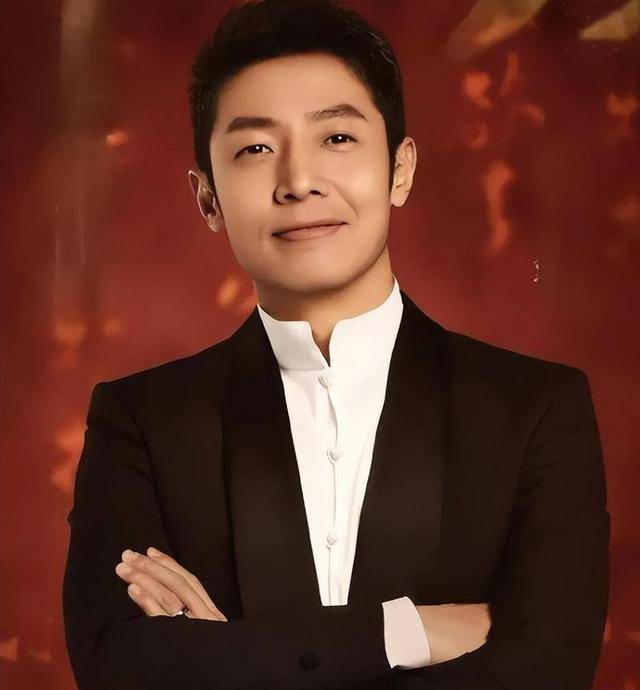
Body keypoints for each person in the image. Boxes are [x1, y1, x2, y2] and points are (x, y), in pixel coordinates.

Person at [62, 1, 610, 688]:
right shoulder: (142, 420)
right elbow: (117, 666)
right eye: (255, 149)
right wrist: (407, 632)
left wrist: (231, 654)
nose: (298, 181)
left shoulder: (535, 408)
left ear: (400, 169)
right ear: (208, 199)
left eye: (338, 138)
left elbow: (550, 668)